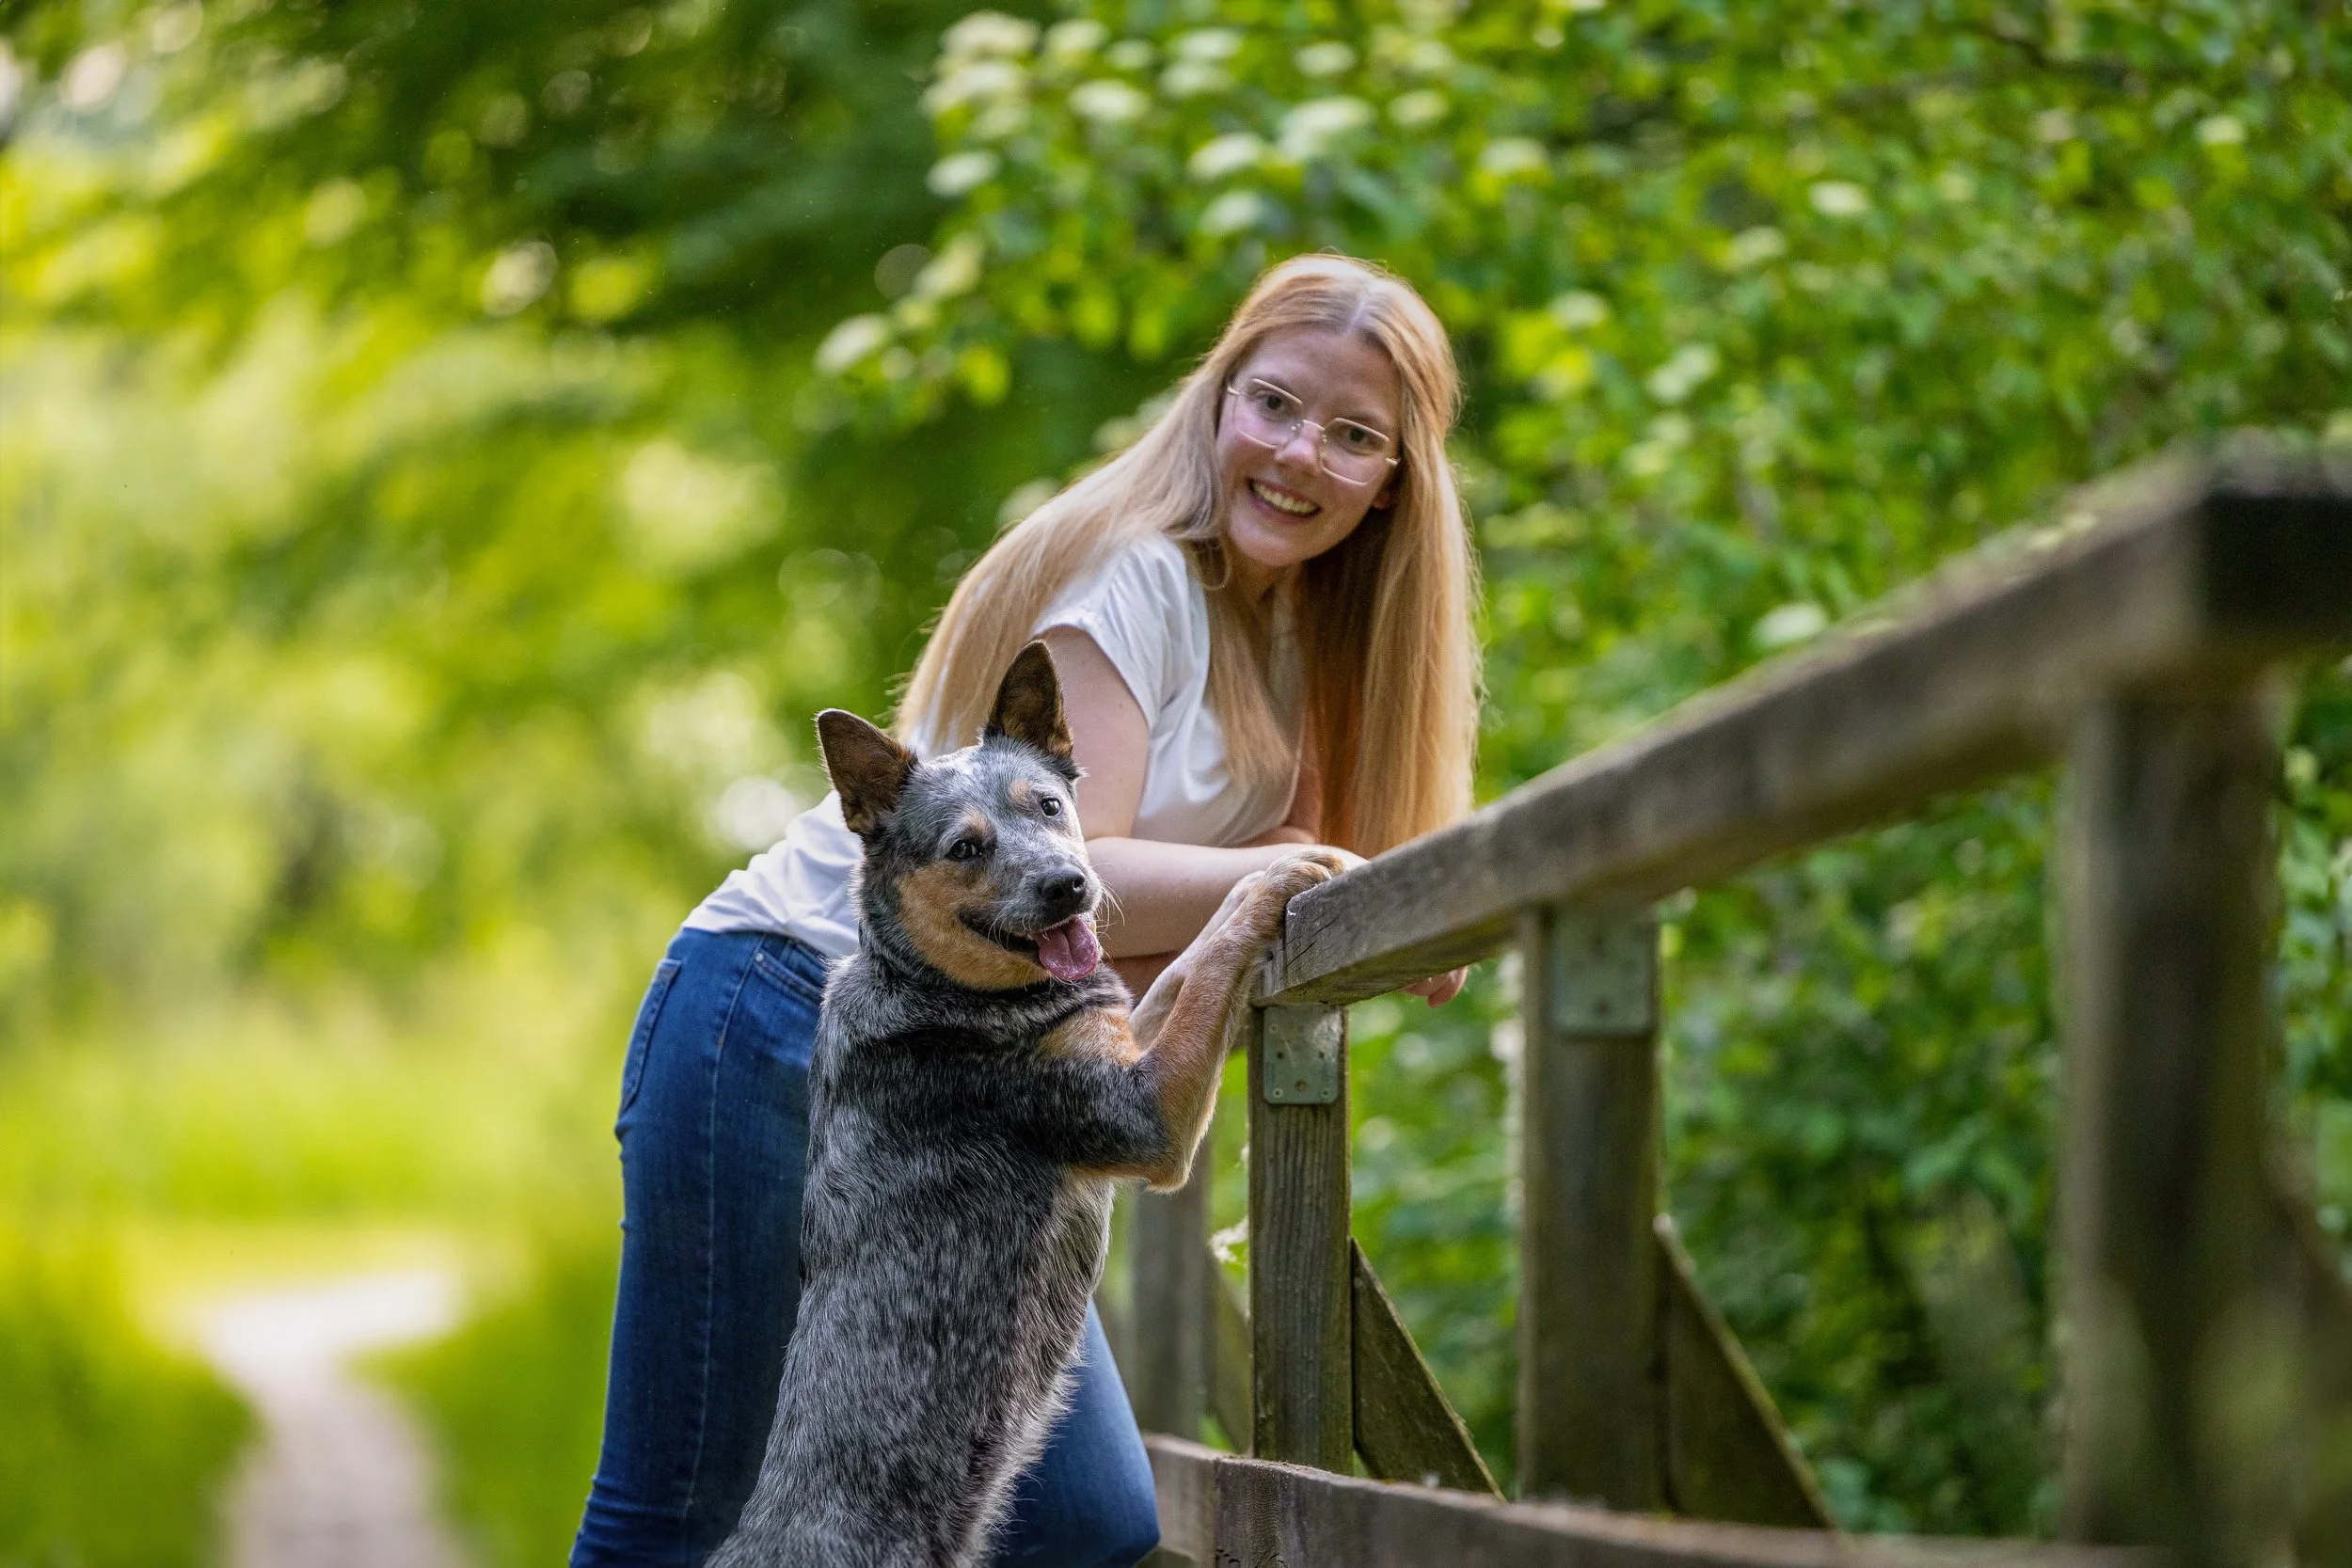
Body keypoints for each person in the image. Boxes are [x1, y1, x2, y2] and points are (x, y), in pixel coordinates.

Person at [570, 252, 1483, 1568]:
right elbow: (1085, 888)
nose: (1301, 456)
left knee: (1084, 1529)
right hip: (778, 1008)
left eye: (1353, 437)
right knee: (681, 1509)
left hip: (974, 1068)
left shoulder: (1293, 627)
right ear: (1218, 395)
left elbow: (1179, 897)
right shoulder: (1142, 578)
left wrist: (1353, 880)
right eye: (1275, 405)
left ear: (1398, 477)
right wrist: (1302, 874)